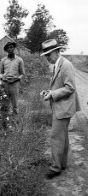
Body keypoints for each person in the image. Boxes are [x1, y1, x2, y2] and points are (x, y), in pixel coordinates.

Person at [40, 39, 81, 179]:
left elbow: (70, 88)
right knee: (62, 137)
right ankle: (62, 163)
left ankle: (55, 167)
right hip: (61, 105)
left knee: (56, 137)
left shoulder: (66, 65)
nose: (47, 57)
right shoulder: (58, 64)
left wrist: (53, 94)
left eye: (49, 54)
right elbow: (59, 85)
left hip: (64, 107)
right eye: (45, 54)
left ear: (57, 51)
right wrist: (49, 91)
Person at [0, 41, 25, 114]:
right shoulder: (3, 60)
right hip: (5, 82)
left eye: (11, 47)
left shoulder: (19, 60)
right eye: (8, 48)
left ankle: (15, 117)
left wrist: (17, 79)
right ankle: (5, 117)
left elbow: (22, 73)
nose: (10, 49)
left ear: (14, 48)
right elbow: (0, 73)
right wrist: (2, 78)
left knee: (15, 101)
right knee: (5, 100)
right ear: (6, 50)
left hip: (15, 83)